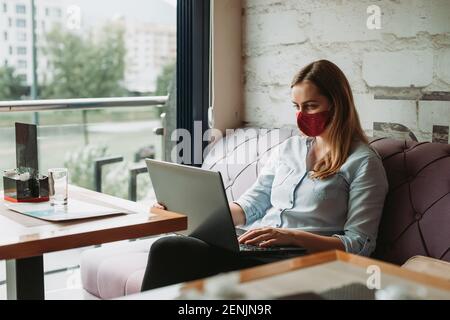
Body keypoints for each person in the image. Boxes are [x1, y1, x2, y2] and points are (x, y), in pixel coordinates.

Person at [141, 59, 389, 291]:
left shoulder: (363, 162)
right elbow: (253, 204)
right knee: (170, 247)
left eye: (311, 106)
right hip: (255, 247)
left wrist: (291, 236)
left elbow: (360, 244)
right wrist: (191, 213)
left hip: (302, 260)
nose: (302, 115)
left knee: (188, 260)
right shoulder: (289, 148)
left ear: (337, 104)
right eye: (297, 106)